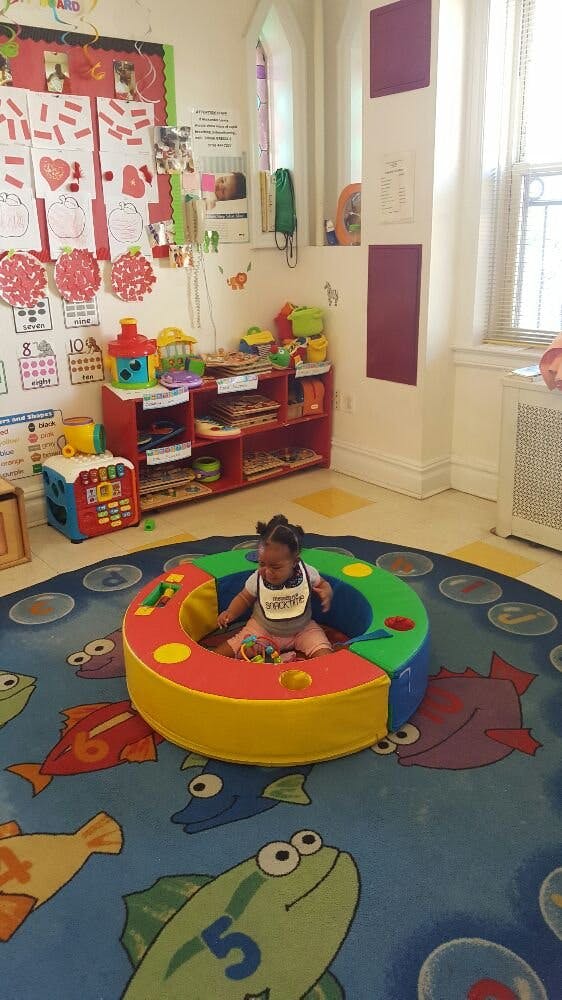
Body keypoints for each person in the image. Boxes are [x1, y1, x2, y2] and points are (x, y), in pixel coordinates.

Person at [214, 514, 333, 660]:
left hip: (302, 629)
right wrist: (230, 612)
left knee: (324, 652)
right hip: (262, 630)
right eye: (262, 564)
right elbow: (244, 598)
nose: (267, 571)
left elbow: (322, 583)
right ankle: (209, 662)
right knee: (234, 647)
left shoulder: (307, 573)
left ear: (294, 562)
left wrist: (326, 590)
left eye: (275, 567)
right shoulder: (257, 578)